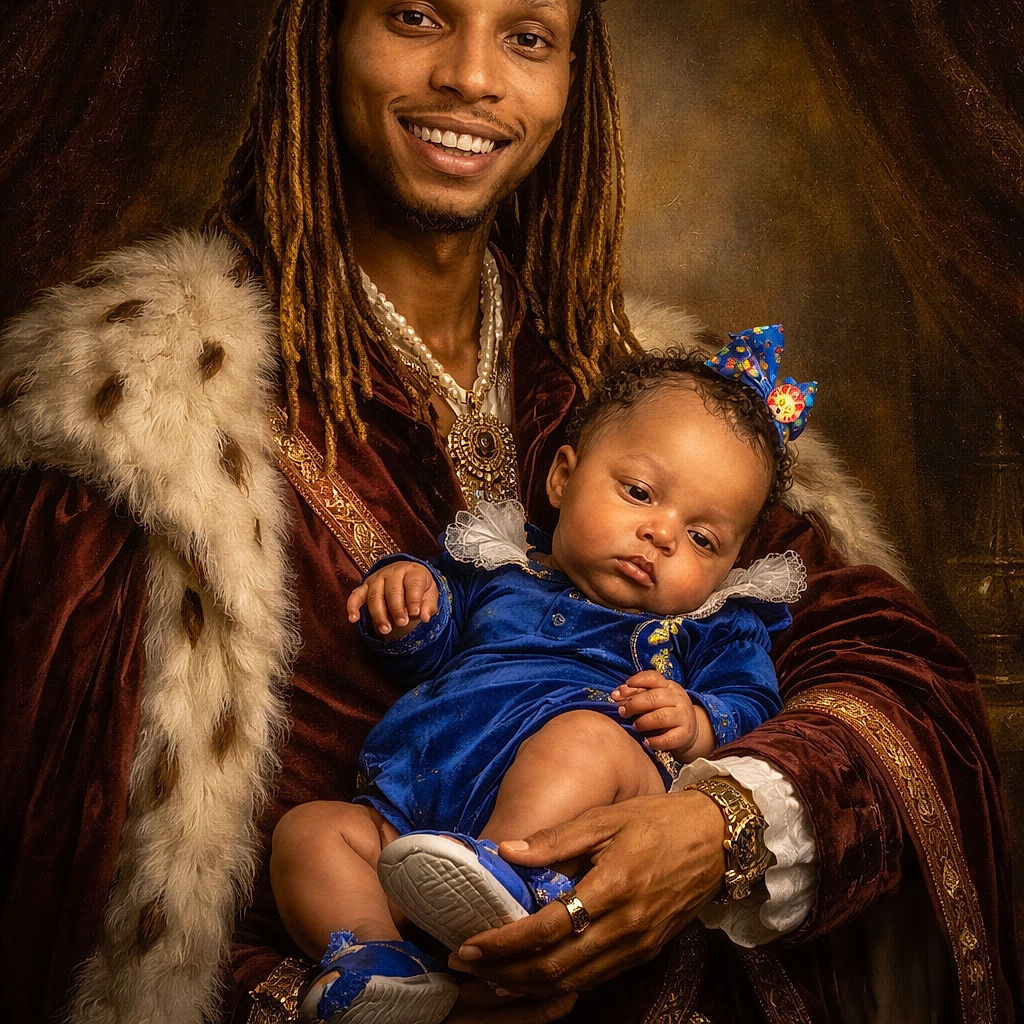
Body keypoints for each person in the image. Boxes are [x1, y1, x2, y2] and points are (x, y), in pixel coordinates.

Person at [0, 1, 1017, 1023]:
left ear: (573, 80)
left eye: (526, 36)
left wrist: (719, 824)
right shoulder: (143, 424)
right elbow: (74, 894)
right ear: (321, 37)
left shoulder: (646, 395)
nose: (473, 78)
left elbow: (889, 661)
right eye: (416, 15)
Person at [270, 340, 811, 1023]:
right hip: (413, 811)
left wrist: (700, 719)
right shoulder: (498, 570)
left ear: (734, 562)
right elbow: (423, 651)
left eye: (704, 539)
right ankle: (383, 964)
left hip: (575, 825)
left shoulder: (713, 626)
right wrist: (410, 603)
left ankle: (507, 879)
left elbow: (756, 704)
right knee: (310, 832)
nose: (662, 535)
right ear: (562, 478)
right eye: (639, 493)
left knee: (581, 738)